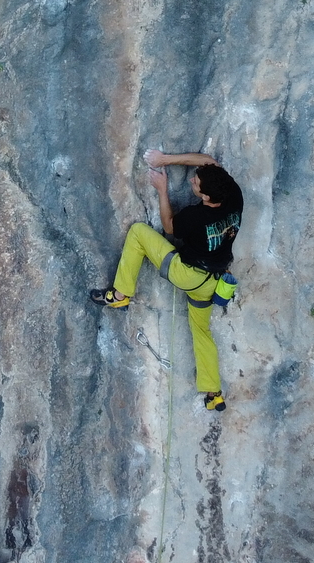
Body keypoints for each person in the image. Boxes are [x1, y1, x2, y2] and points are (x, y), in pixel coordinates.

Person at [90, 151, 244, 412]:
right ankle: (213, 392)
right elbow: (210, 163)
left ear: (206, 197)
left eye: (196, 183)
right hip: (213, 282)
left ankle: (120, 295)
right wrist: (165, 159)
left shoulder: (195, 217)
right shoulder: (233, 195)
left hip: (187, 274)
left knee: (138, 232)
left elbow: (170, 226)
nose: (193, 180)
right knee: (201, 331)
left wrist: (162, 189)